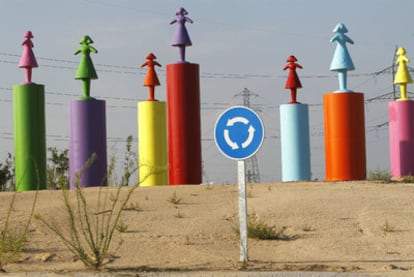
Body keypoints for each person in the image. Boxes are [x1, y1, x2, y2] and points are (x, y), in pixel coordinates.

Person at [330, 23, 354, 92]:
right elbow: (352, 42)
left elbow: (331, 40)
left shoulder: (338, 36)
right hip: (342, 51)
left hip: (340, 51)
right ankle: (342, 87)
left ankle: (343, 87)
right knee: (342, 67)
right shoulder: (344, 36)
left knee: (342, 67)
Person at [74, 35, 98, 100]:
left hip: (84, 61)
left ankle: (86, 94)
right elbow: (95, 51)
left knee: (86, 77)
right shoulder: (88, 47)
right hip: (86, 61)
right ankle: (86, 94)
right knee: (86, 77)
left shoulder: (81, 48)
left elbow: (75, 53)